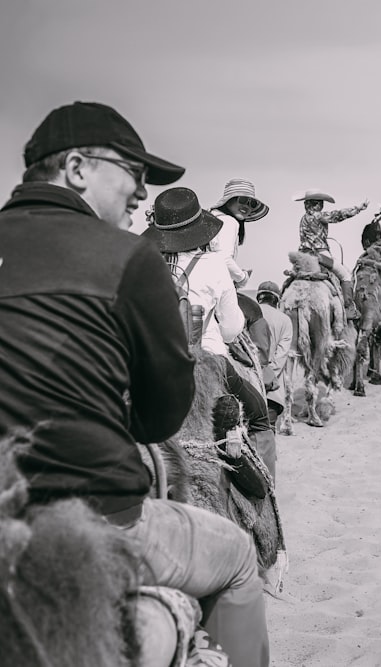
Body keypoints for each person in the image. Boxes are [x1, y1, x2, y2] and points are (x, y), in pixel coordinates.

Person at [0, 101, 268, 667]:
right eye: (133, 174)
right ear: (77, 168)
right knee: (240, 556)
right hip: (97, 514)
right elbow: (161, 414)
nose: (142, 193)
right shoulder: (127, 255)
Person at [143, 188, 277, 480]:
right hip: (208, 361)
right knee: (259, 416)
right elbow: (230, 330)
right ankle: (264, 490)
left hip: (150, 365)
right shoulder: (216, 265)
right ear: (198, 229)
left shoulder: (142, 265)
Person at [294, 189, 367, 319]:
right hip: (321, 254)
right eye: (320, 203)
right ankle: (348, 308)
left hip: (303, 255)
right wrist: (358, 209)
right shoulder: (318, 216)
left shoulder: (303, 218)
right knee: (345, 276)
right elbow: (338, 215)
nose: (321, 206)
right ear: (317, 204)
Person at [209, 177, 270, 288]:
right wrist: (242, 278)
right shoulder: (229, 222)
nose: (246, 206)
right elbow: (224, 259)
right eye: (242, 200)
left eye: (252, 204)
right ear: (228, 201)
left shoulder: (212, 218)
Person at [256, 281, 293, 428]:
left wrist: (254, 376)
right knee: (267, 433)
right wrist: (266, 377)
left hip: (247, 387)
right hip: (272, 390)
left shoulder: (246, 314)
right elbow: (280, 357)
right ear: (277, 300)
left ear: (259, 297)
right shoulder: (285, 320)